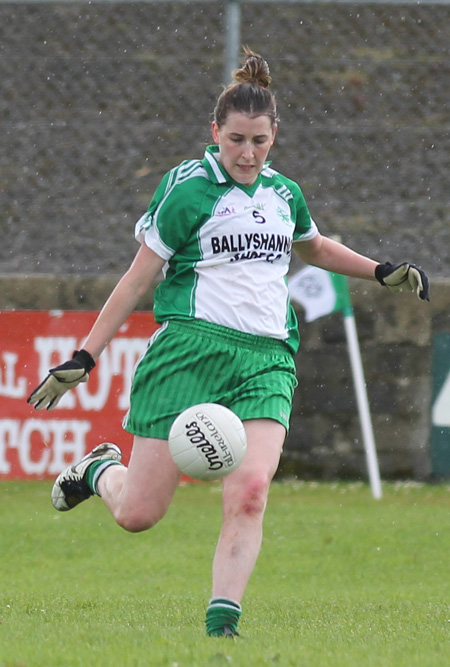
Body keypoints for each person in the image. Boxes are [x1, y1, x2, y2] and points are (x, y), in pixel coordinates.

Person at [27, 47, 429, 638]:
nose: (246, 153)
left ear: (274, 137)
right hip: (188, 352)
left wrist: (380, 270)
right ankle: (98, 470)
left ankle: (222, 631)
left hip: (268, 358)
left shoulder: (284, 194)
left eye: (259, 141)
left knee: (251, 492)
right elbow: (137, 278)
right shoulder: (187, 190)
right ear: (214, 132)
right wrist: (85, 356)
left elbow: (313, 247)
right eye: (235, 139)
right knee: (139, 515)